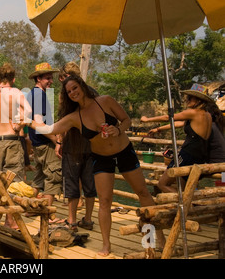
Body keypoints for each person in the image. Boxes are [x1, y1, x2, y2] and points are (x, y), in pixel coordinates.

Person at [26, 75, 162, 256]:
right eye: (69, 91)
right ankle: (106, 245)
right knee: (105, 202)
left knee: (143, 193)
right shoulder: (75, 117)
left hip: (124, 153)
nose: (73, 92)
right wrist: (27, 122)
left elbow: (126, 120)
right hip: (102, 158)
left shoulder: (105, 101)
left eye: (75, 88)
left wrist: (118, 129)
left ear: (82, 86)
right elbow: (50, 129)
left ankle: (154, 239)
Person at [141, 83, 217, 193]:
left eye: (190, 98)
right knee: (183, 187)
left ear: (198, 100)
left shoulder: (193, 113)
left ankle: (184, 205)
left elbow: (168, 117)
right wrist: (158, 129)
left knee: (162, 184)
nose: (187, 100)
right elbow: (179, 123)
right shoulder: (207, 115)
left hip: (188, 153)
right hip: (201, 155)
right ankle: (186, 207)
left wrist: (147, 119)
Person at [0, 63, 32, 229]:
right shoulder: (17, 93)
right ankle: (10, 220)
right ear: (13, 79)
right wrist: (18, 125)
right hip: (11, 139)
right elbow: (29, 113)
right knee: (13, 181)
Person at [57, 62, 96, 232]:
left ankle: (72, 220)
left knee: (73, 183)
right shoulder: (92, 93)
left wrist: (59, 141)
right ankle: (87, 219)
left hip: (74, 146)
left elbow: (62, 122)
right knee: (89, 184)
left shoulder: (66, 97)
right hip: (92, 145)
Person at [26, 62, 63, 211]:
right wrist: (56, 140)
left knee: (39, 178)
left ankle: (30, 208)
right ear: (39, 79)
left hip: (37, 144)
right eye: (48, 78)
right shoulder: (39, 95)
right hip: (46, 143)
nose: (51, 81)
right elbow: (39, 123)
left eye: (51, 78)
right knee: (53, 178)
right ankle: (45, 214)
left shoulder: (31, 94)